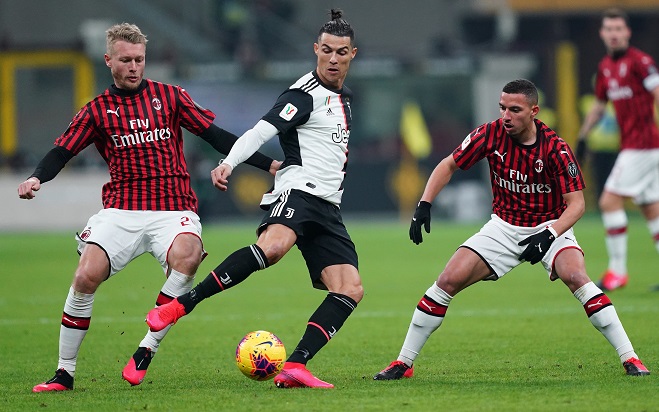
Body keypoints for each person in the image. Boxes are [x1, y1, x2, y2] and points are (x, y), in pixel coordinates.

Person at [20, 23, 279, 392]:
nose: (134, 67)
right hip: (121, 211)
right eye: (125, 60)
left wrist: (267, 164)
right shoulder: (96, 111)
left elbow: (215, 134)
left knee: (188, 255)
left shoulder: (170, 97)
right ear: (108, 60)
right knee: (84, 276)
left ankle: (146, 349)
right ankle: (64, 373)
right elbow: (63, 150)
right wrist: (36, 178)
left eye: (139, 60)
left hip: (173, 210)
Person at [373, 79, 650, 381]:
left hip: (549, 225)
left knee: (576, 276)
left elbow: (577, 205)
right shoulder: (490, 133)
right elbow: (448, 165)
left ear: (534, 111)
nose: (506, 115)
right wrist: (424, 203)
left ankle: (630, 357)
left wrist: (550, 234)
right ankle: (404, 362)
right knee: (447, 280)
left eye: (514, 110)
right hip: (503, 227)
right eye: (503, 108)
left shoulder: (555, 148)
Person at [146, 9, 361, 389]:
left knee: (349, 288)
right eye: (325, 50)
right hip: (298, 192)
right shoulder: (303, 95)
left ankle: (296, 365)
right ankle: (180, 305)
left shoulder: (343, 99)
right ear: (315, 49)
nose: (332, 59)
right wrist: (228, 163)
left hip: (328, 207)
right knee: (274, 248)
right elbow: (260, 131)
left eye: (340, 52)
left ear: (352, 55)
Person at [575, 7, 659, 292]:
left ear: (627, 32)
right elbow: (599, 106)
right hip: (638, 146)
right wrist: (583, 136)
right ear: (602, 33)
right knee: (651, 209)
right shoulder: (605, 68)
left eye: (618, 29)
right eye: (608, 29)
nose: (613, 34)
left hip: (643, 146)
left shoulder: (640, 62)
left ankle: (618, 273)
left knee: (609, 201)